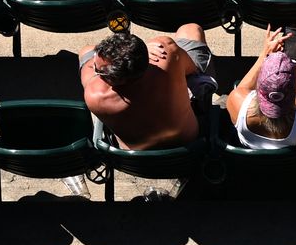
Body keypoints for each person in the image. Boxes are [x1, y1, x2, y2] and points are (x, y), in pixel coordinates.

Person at [80, 24, 217, 151]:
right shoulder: (167, 51)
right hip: (187, 141)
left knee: (86, 51)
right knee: (190, 29)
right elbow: (192, 69)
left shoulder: (94, 96)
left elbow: (87, 60)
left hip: (134, 158)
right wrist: (145, 54)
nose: (95, 70)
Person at [224, 28, 296, 148]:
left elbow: (242, 88)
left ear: (258, 85)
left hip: (253, 163)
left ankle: (294, 61)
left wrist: (265, 53)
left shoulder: (236, 102)